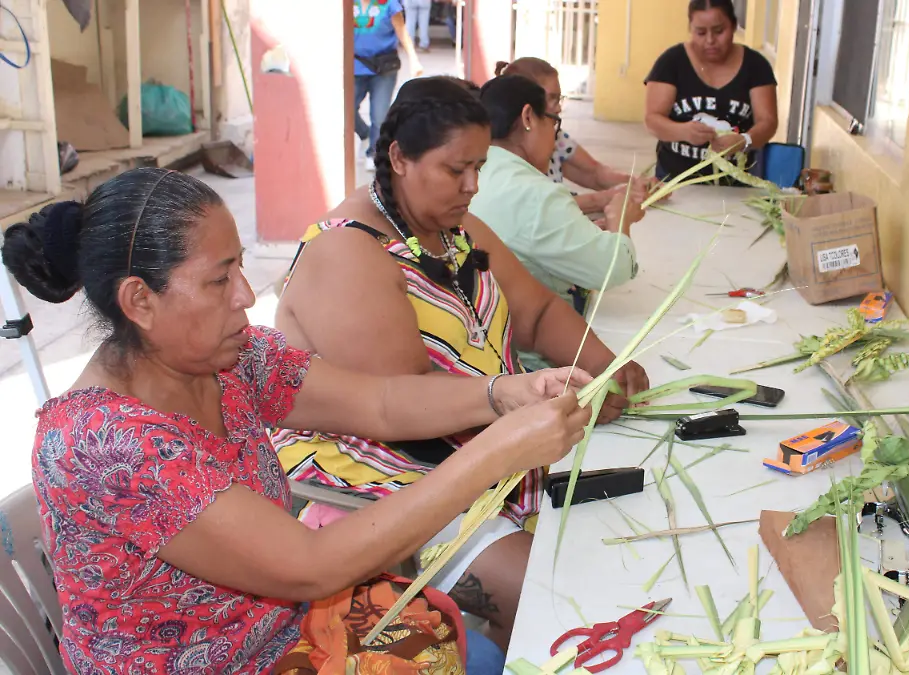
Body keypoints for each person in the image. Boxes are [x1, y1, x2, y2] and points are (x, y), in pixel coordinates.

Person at [0, 167, 591, 672]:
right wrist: (498, 451)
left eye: (238, 268)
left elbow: (379, 403)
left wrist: (502, 394)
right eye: (218, 279)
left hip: (276, 638)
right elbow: (311, 567)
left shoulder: (225, 360)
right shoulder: (106, 443)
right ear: (139, 301)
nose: (245, 294)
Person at [272, 77, 649, 649]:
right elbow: (399, 407)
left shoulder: (453, 228)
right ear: (399, 157)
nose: (473, 186)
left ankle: (496, 647)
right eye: (456, 170)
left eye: (481, 168)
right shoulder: (348, 252)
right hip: (385, 479)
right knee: (551, 597)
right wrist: (511, 400)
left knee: (610, 556)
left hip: (487, 448)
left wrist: (605, 366)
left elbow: (539, 311)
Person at [472, 75, 644, 371]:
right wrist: (620, 221)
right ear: (529, 117)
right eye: (553, 123)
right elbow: (610, 269)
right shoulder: (533, 191)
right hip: (527, 363)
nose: (554, 139)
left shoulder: (476, 169)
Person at [495, 58, 659, 216]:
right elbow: (544, 207)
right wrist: (605, 198)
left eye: (559, 99)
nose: (558, 108)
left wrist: (635, 183)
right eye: (552, 99)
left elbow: (594, 173)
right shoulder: (506, 152)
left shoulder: (555, 138)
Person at [644, 0, 779, 182]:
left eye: (719, 31)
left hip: (738, 186)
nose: (710, 41)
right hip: (675, 183)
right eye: (700, 32)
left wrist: (744, 140)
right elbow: (652, 119)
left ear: (733, 26)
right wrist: (683, 131)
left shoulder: (756, 66)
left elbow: (768, 122)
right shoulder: (671, 63)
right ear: (690, 29)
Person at [354, 0, 423, 172]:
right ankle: (365, 134)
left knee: (379, 114)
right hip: (355, 66)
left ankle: (373, 153)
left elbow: (401, 31)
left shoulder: (390, 4)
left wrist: (413, 59)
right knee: (347, 109)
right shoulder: (348, 4)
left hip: (383, 67)